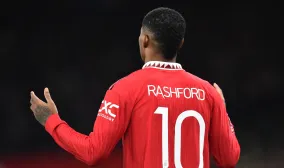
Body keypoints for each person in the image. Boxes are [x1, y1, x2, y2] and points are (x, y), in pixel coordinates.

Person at [29, 7, 240, 168]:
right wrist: (222, 108)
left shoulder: (125, 89)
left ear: (145, 39)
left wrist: (51, 121)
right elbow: (230, 158)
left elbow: (93, 152)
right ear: (181, 43)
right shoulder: (208, 93)